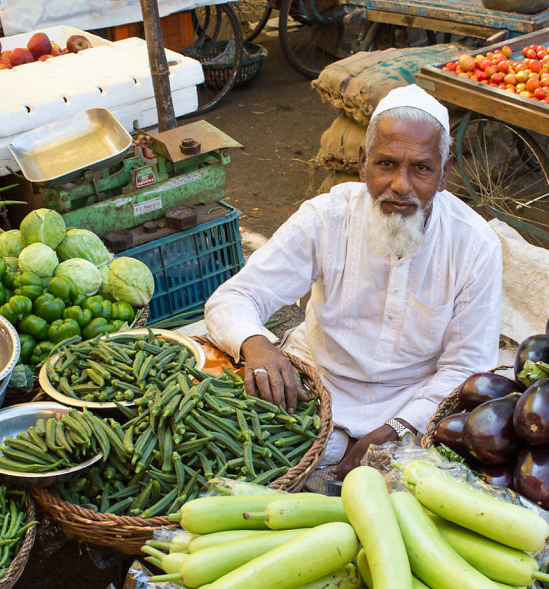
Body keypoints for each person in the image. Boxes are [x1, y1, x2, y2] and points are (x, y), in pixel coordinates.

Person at [204, 84, 503, 481]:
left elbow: (466, 368)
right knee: (237, 453)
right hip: (316, 387)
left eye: (422, 168)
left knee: (430, 486)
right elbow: (235, 297)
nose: (401, 185)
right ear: (362, 163)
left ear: (445, 174)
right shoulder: (326, 217)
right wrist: (257, 346)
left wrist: (398, 428)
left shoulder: (476, 245)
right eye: (386, 164)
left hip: (415, 403)